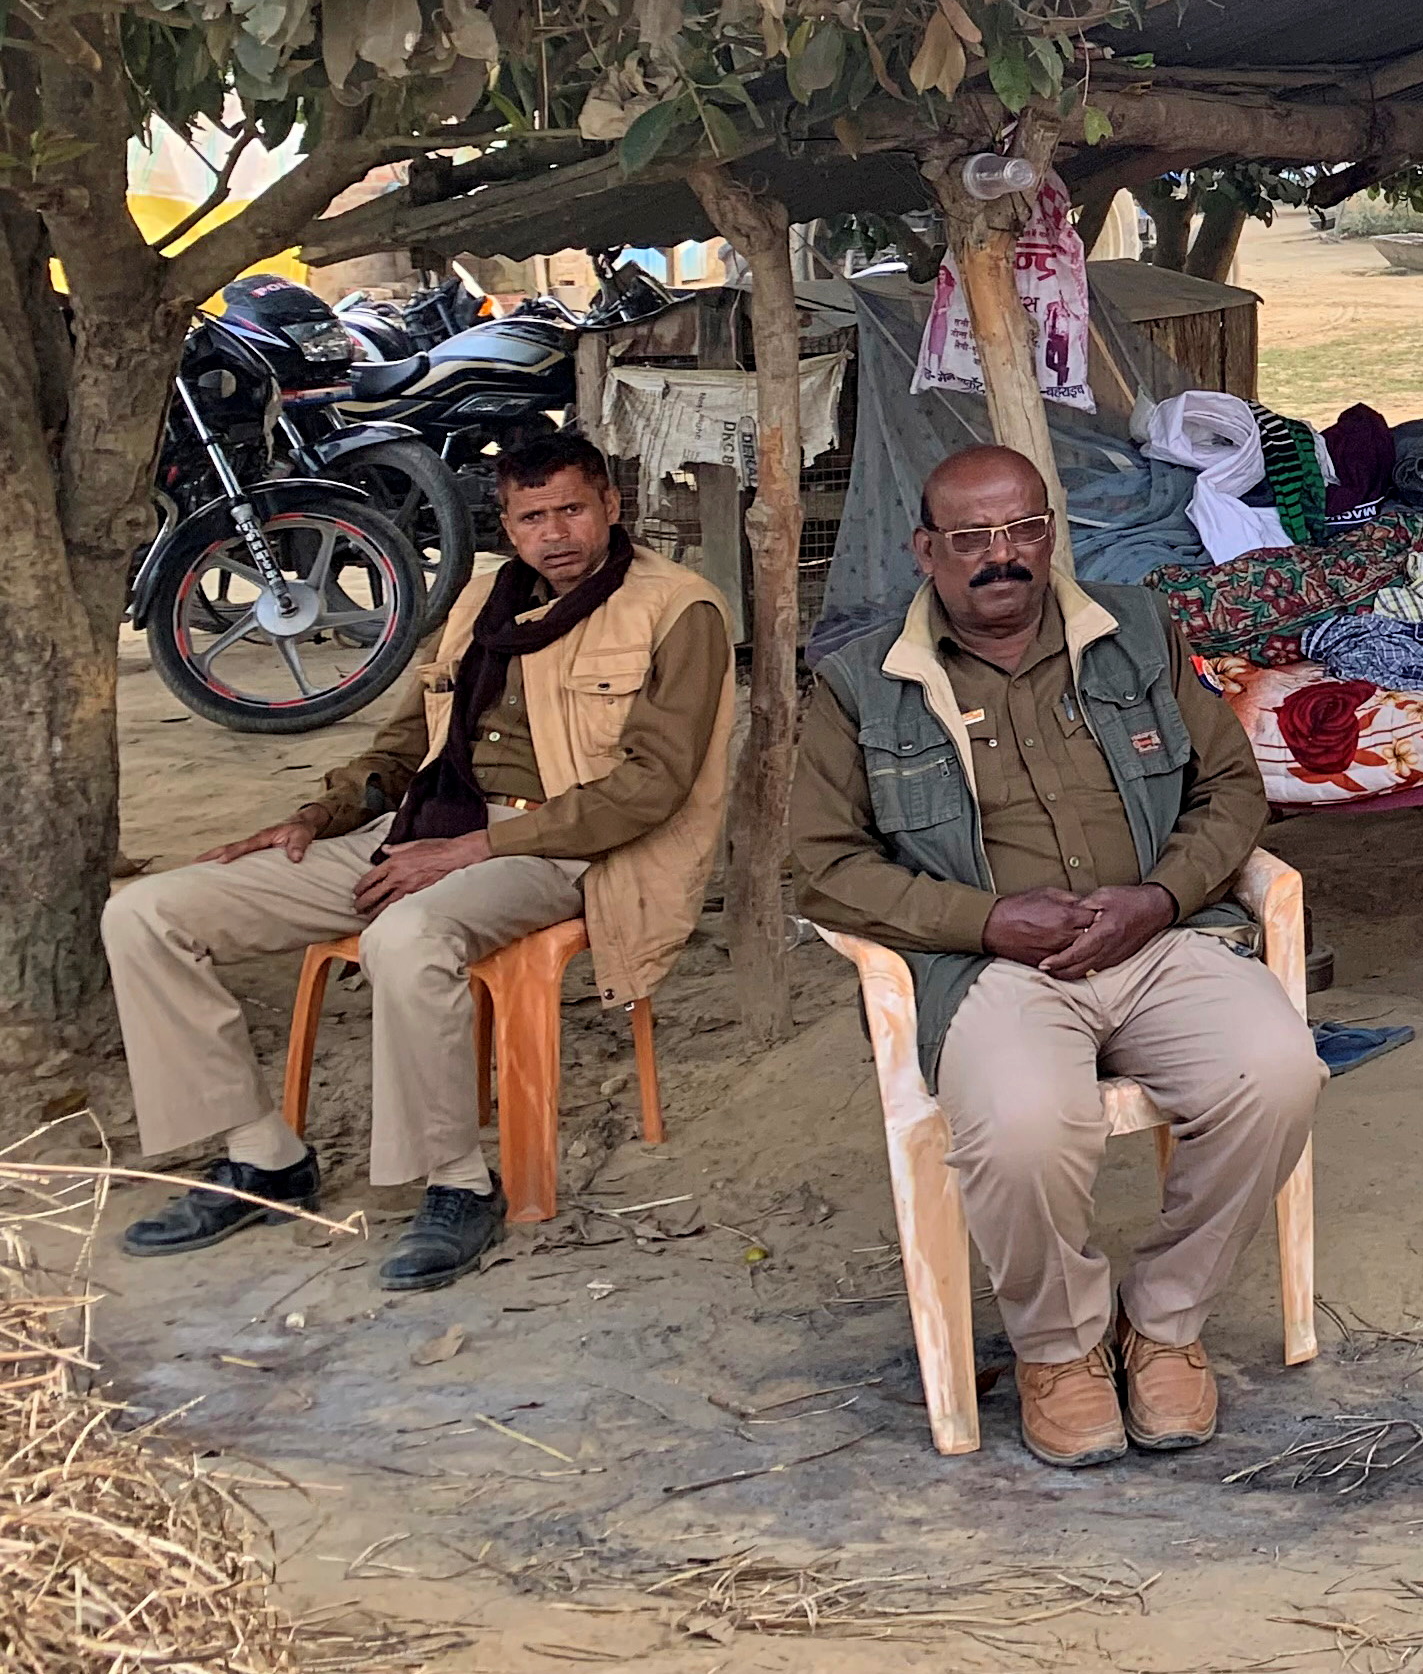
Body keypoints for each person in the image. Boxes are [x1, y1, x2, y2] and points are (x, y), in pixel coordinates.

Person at [107, 428, 735, 1293]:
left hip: (559, 849)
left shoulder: (677, 608)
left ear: (611, 506)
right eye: (532, 517)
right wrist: (318, 813)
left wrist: (472, 849)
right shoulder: (483, 597)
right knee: (146, 913)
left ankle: (457, 1183)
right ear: (507, 525)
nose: (555, 534)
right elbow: (409, 739)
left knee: (406, 936)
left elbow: (648, 790)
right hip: (422, 828)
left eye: (572, 511)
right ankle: (263, 1157)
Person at [792, 444, 1321, 1470]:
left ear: (1050, 531)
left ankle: (1163, 1322)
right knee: (1026, 1125)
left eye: (1023, 529)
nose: (1004, 557)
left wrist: (1160, 895)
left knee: (1280, 1071)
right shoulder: (862, 687)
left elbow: (1232, 790)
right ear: (928, 550)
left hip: (1158, 936)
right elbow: (823, 868)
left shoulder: (1137, 634)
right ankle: (1061, 1349)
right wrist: (987, 923)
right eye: (974, 538)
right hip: (992, 967)